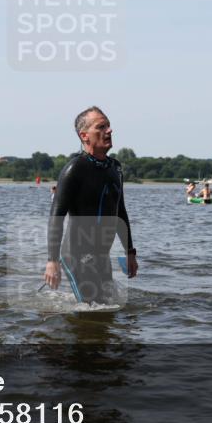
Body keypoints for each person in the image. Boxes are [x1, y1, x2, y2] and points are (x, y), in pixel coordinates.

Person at [44, 106, 137, 304]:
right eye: (101, 127)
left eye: (108, 126)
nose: (109, 130)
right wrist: (52, 261)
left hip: (102, 256)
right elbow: (56, 216)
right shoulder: (75, 168)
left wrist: (130, 252)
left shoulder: (115, 168)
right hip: (76, 255)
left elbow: (120, 212)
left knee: (107, 310)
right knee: (92, 311)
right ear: (84, 136)